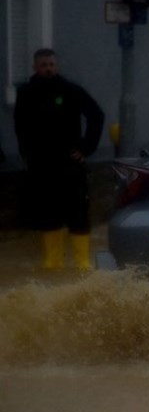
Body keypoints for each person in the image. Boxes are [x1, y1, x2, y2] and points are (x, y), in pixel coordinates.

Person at [14, 48, 105, 270]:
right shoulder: (26, 93)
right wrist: (27, 154)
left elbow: (96, 115)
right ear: (35, 67)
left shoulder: (70, 90)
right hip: (42, 164)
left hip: (70, 163)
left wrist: (86, 147)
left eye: (51, 64)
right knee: (47, 210)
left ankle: (82, 262)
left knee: (78, 210)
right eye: (44, 65)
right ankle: (53, 261)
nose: (48, 68)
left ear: (57, 66)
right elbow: (20, 126)